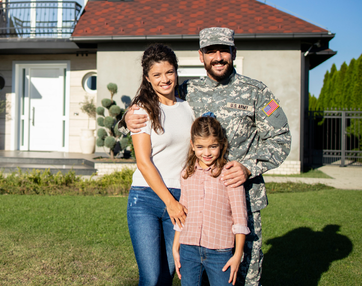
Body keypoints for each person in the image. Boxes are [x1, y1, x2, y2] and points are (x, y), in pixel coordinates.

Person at [120, 27, 291, 285]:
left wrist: (247, 167)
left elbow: (282, 138)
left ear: (234, 53)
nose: (218, 57)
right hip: (199, 201)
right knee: (195, 272)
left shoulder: (256, 92)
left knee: (245, 273)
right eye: (211, 51)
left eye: (224, 50)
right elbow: (153, 106)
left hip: (241, 197)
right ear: (201, 56)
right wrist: (125, 119)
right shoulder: (188, 92)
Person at [127, 43, 195, 286]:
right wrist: (170, 203)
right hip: (146, 199)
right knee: (151, 277)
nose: (164, 79)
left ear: (176, 71)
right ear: (148, 78)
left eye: (169, 72)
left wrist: (178, 202)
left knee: (168, 275)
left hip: (180, 198)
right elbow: (143, 163)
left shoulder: (189, 108)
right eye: (156, 75)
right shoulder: (141, 110)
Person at [172, 114, 250, 286]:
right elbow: (182, 214)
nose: (206, 153)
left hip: (220, 252)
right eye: (200, 147)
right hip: (188, 250)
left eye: (212, 146)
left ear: (221, 144)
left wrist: (237, 255)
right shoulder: (186, 174)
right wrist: (175, 247)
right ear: (192, 145)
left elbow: (240, 218)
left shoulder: (230, 174)